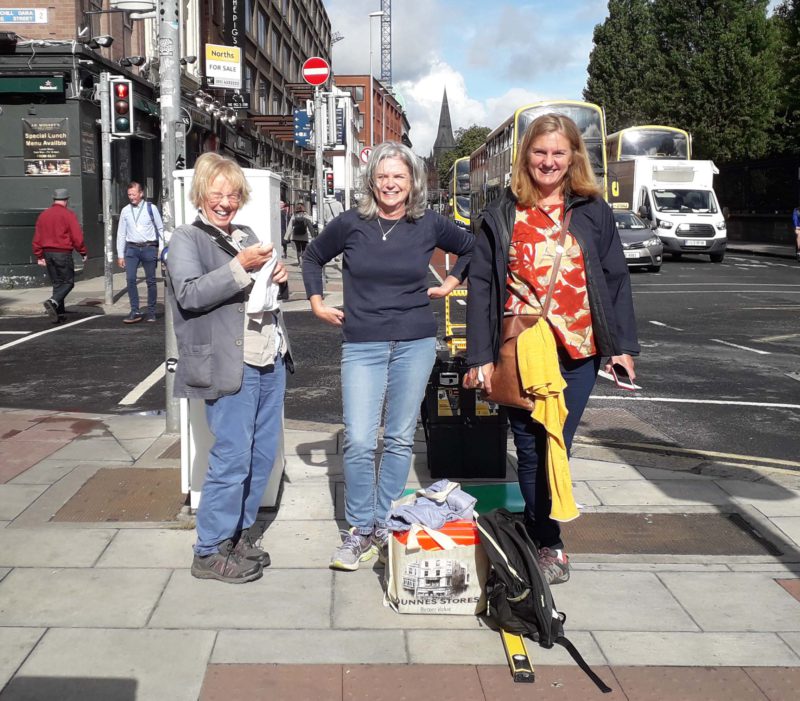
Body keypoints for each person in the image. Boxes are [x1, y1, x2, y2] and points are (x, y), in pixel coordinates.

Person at [464, 113, 639, 585]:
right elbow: (481, 286)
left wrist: (621, 346)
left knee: (556, 438)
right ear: (526, 157)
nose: (549, 161)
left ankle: (544, 527)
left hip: (579, 348)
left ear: (573, 157)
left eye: (558, 153)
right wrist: (479, 355)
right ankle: (548, 541)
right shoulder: (502, 212)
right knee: (528, 443)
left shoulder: (592, 211)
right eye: (540, 152)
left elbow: (615, 278)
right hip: (520, 346)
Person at [302, 141, 474, 571]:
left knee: (398, 438)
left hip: (414, 342)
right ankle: (359, 529)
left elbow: (471, 247)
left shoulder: (429, 223)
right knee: (360, 439)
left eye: (399, 176)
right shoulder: (350, 224)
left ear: (412, 181)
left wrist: (451, 282)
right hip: (362, 343)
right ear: (371, 181)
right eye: (383, 176)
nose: (391, 183)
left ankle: (383, 523)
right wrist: (317, 303)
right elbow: (312, 257)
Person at [167, 152, 292, 584]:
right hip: (227, 362)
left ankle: (236, 537)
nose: (225, 201)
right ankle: (207, 551)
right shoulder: (186, 239)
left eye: (233, 194)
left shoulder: (245, 233)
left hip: (268, 355)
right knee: (232, 456)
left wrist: (279, 276)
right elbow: (189, 293)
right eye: (217, 193)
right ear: (201, 194)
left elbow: (268, 290)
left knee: (259, 455)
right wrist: (241, 267)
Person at [32, 188, 88, 323]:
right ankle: (53, 301)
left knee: (57, 283)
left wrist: (39, 255)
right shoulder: (68, 215)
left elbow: (37, 237)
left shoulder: (43, 215)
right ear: (67, 200)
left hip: (47, 253)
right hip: (62, 253)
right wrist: (83, 252)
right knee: (68, 283)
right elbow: (77, 237)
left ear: (54, 199)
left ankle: (58, 312)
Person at [116, 181, 164, 323]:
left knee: (151, 281)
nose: (131, 197)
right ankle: (135, 310)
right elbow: (121, 234)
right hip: (132, 249)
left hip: (149, 248)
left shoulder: (151, 208)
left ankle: (151, 311)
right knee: (130, 279)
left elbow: (160, 229)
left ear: (141, 193)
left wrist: (160, 249)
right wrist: (120, 254)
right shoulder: (125, 210)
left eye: (134, 194)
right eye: (129, 195)